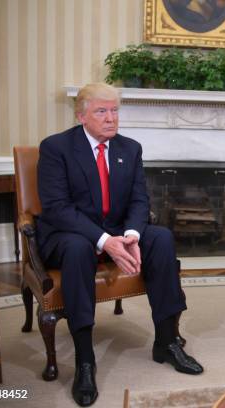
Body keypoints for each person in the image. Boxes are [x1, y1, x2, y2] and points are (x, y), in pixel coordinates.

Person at [36, 83, 203, 407]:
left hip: (117, 230)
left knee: (162, 238)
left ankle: (166, 342)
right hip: (67, 233)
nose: (111, 118)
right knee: (78, 248)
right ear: (81, 115)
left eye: (114, 111)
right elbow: (57, 208)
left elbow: (140, 199)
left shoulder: (130, 148)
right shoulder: (56, 148)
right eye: (102, 111)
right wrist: (104, 241)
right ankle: (86, 360)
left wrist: (131, 236)